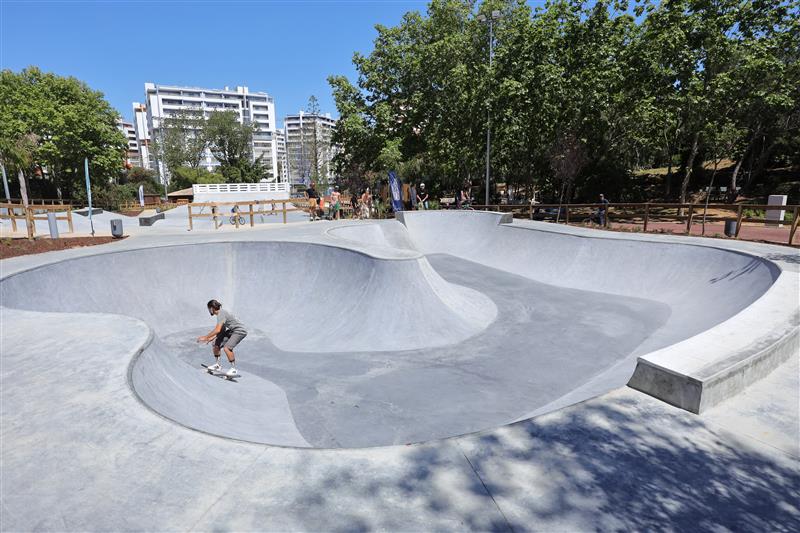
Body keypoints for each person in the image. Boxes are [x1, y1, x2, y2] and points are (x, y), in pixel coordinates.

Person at [197, 299, 247, 378]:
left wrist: (206, 337)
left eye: (208, 309)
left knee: (227, 348)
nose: (209, 311)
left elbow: (217, 330)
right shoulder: (221, 314)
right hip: (232, 330)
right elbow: (222, 330)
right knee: (215, 343)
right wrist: (212, 338)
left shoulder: (221, 313)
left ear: (211, 308)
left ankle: (233, 369)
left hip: (240, 331)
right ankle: (217, 365)